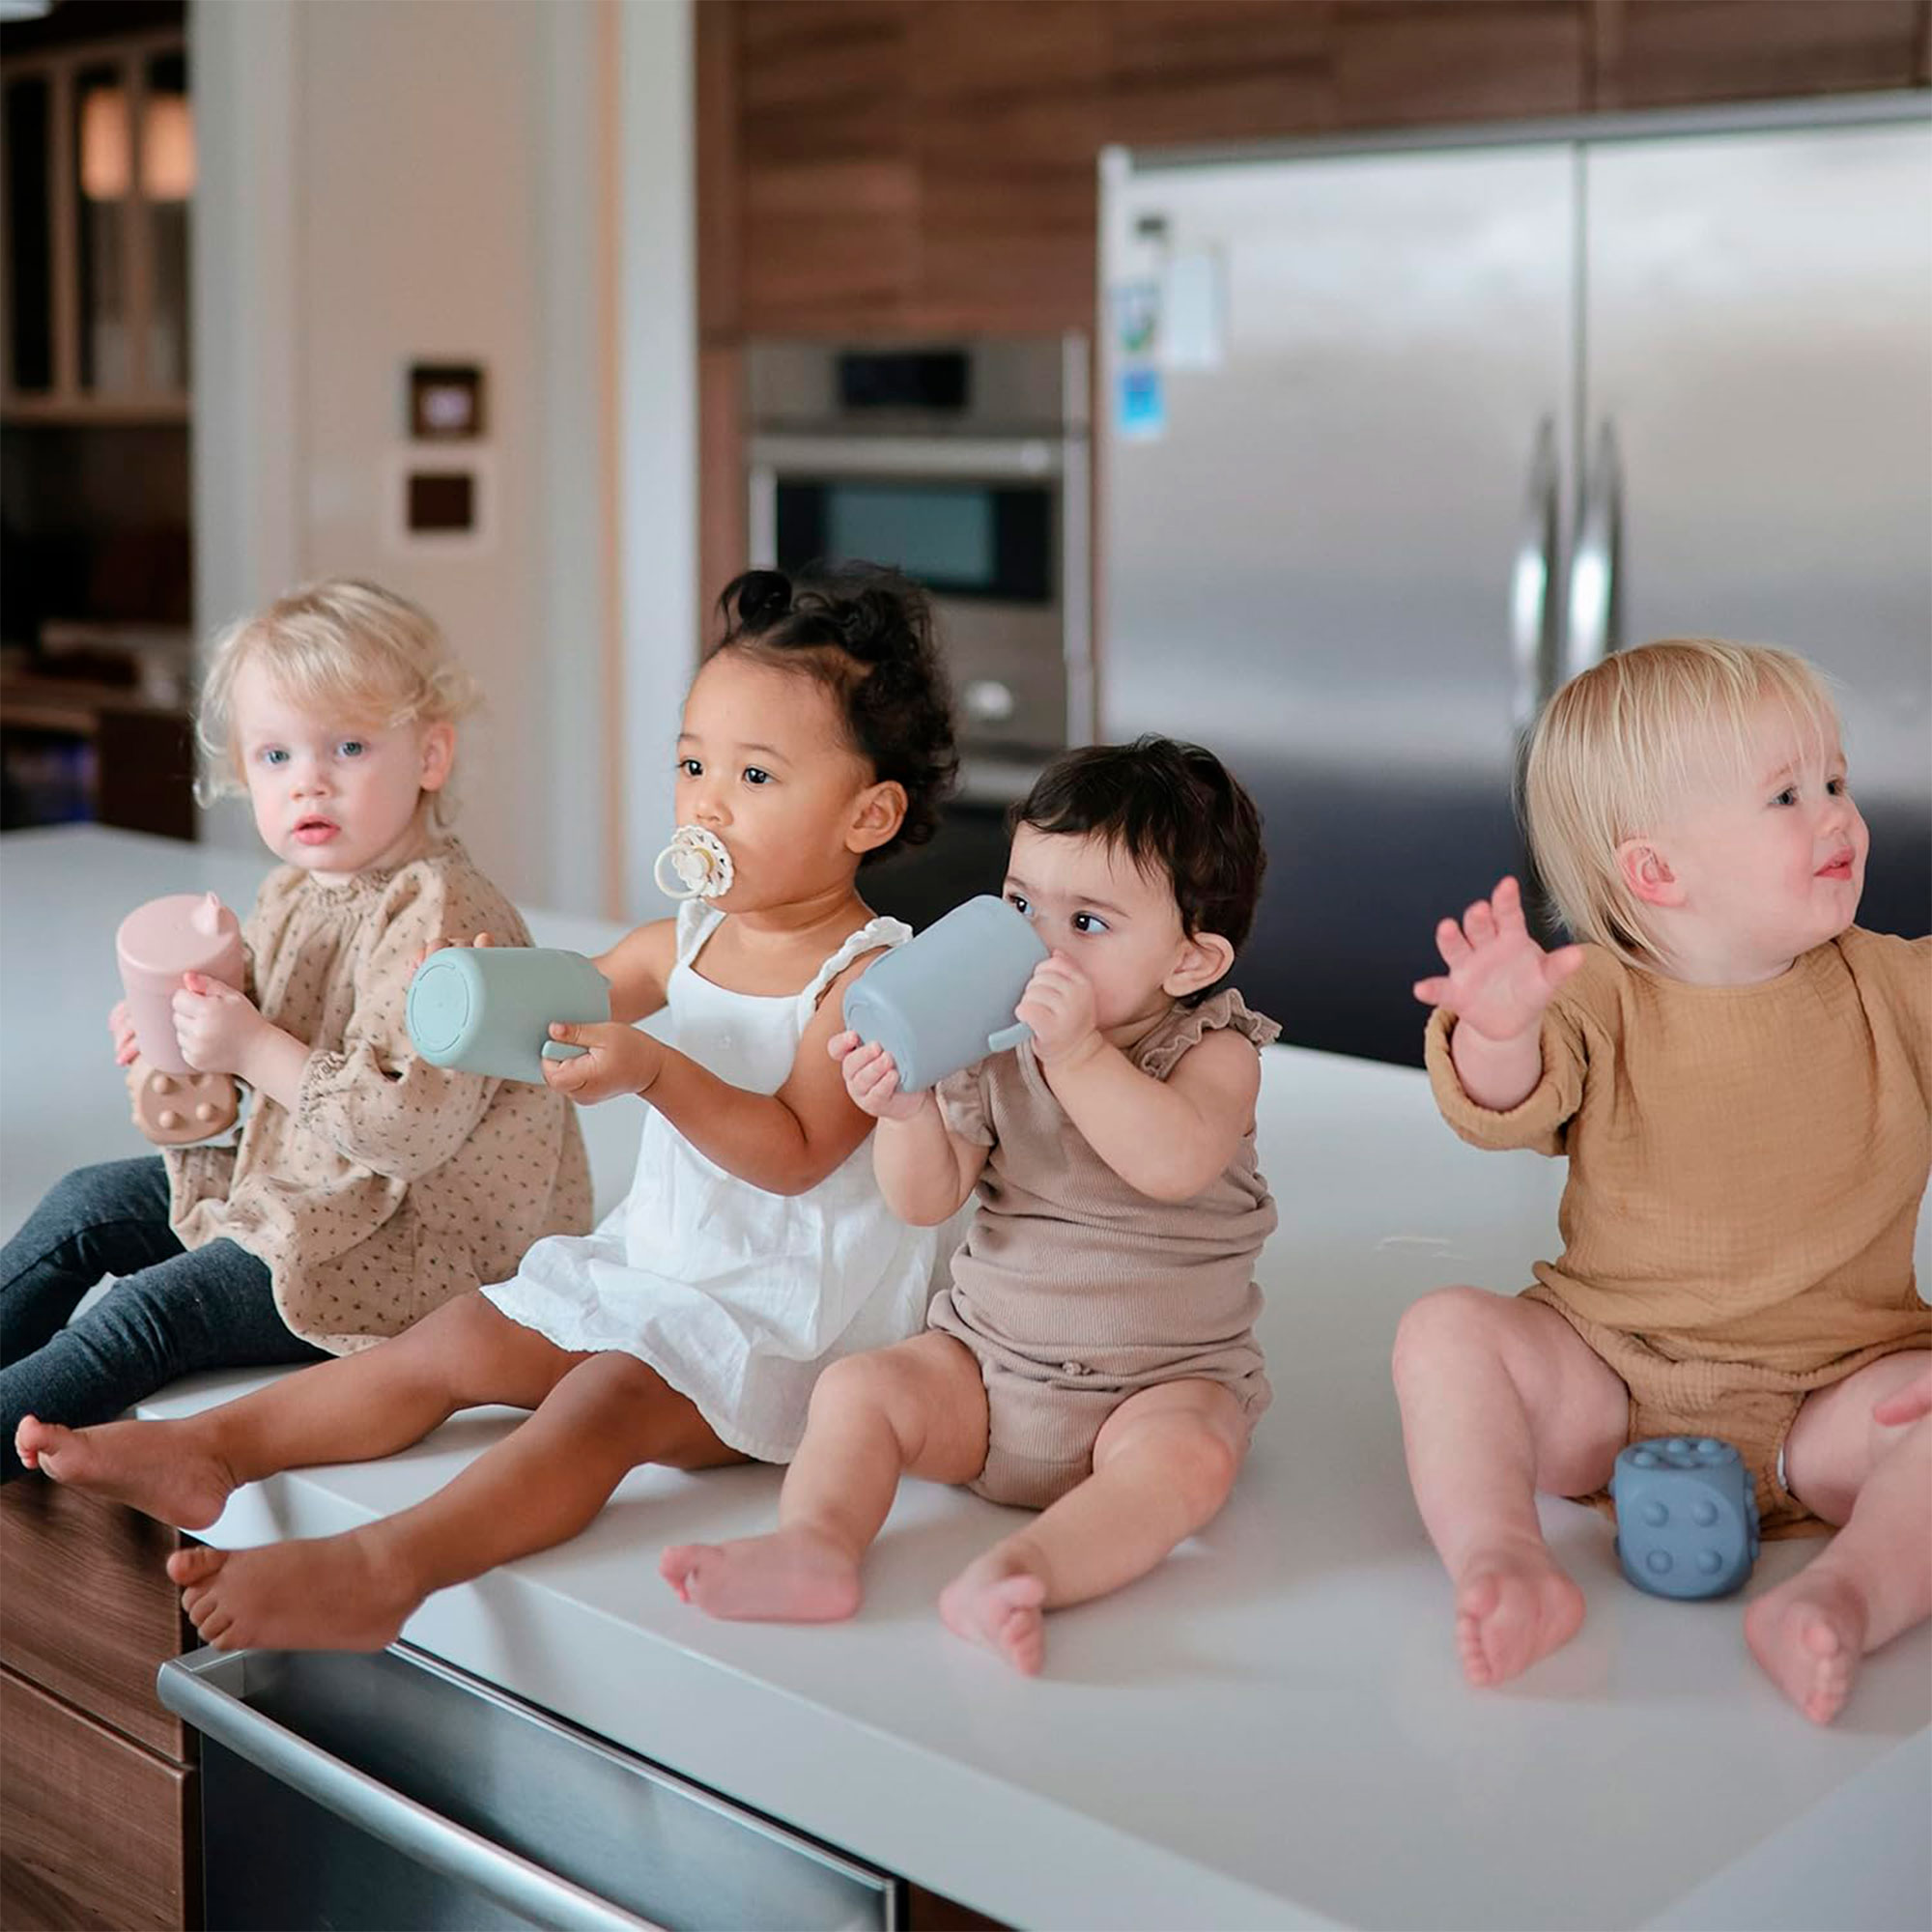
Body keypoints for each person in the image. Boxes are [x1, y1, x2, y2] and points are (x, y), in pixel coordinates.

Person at [23, 563, 963, 1658]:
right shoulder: (688, 936)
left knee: (602, 1402)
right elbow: (574, 994)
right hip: (662, 1263)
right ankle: (215, 1447)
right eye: (692, 763)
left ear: (870, 812)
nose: (705, 800)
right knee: (459, 1335)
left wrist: (655, 1072)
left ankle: (389, 1566)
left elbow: (798, 1153)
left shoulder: (864, 978)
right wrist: (485, 989)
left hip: (781, 1317)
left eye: (753, 774)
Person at [1396, 638, 1929, 1721]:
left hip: (1838, 1395)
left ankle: (1841, 1595)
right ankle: (1504, 1558)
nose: (1836, 814)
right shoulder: (1594, 997)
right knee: (1442, 1333)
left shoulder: (1895, 986)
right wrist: (1500, 1025)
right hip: (1605, 1376)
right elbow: (1504, 1103)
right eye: (1785, 794)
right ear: (1655, 873)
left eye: (1834, 779)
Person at [664, 737, 1279, 1676]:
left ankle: (1022, 1571)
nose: (1037, 943)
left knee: (1192, 1456)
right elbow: (926, 1198)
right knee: (859, 1388)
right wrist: (904, 1110)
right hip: (986, 1379)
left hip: (1153, 1389)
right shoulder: (990, 1043)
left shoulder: (1209, 1050)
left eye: (1088, 922)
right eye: (1023, 903)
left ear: (1190, 959)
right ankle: (816, 1546)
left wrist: (1076, 1056)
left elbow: (1172, 1161)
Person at [6, 579, 590, 1482]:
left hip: (412, 1250)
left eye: (348, 747)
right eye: (275, 756)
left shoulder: (446, 917)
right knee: (87, 1206)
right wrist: (184, 1055)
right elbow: (235, 1115)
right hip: (304, 1190)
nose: (306, 780)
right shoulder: (292, 894)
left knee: (149, 1317)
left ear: (431, 754)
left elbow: (404, 1129)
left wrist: (249, 1044)